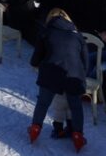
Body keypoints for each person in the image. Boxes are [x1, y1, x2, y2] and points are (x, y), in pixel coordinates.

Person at [28, 8, 88, 152]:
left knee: (43, 103)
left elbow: (35, 59)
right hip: (74, 75)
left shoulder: (46, 32)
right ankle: (78, 136)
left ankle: (35, 129)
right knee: (76, 107)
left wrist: (38, 64)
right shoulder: (78, 35)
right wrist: (80, 76)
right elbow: (85, 62)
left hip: (51, 73)